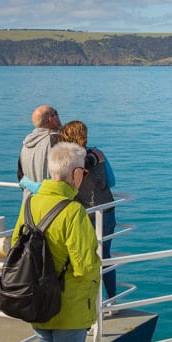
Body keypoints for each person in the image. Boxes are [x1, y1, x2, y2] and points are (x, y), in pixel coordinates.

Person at [13, 142, 100, 342]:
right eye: (84, 171)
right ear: (76, 174)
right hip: (68, 307)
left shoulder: (30, 203)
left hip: (37, 301)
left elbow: (15, 245)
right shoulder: (73, 212)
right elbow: (85, 266)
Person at [58, 120, 117, 303]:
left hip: (78, 212)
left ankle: (85, 298)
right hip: (104, 210)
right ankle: (111, 298)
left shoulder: (63, 159)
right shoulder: (96, 154)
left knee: (80, 255)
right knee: (104, 254)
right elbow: (112, 180)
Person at [18, 105, 61, 200]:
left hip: (28, 205)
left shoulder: (25, 144)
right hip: (50, 204)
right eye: (56, 113)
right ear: (50, 119)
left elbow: (20, 177)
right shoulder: (56, 140)